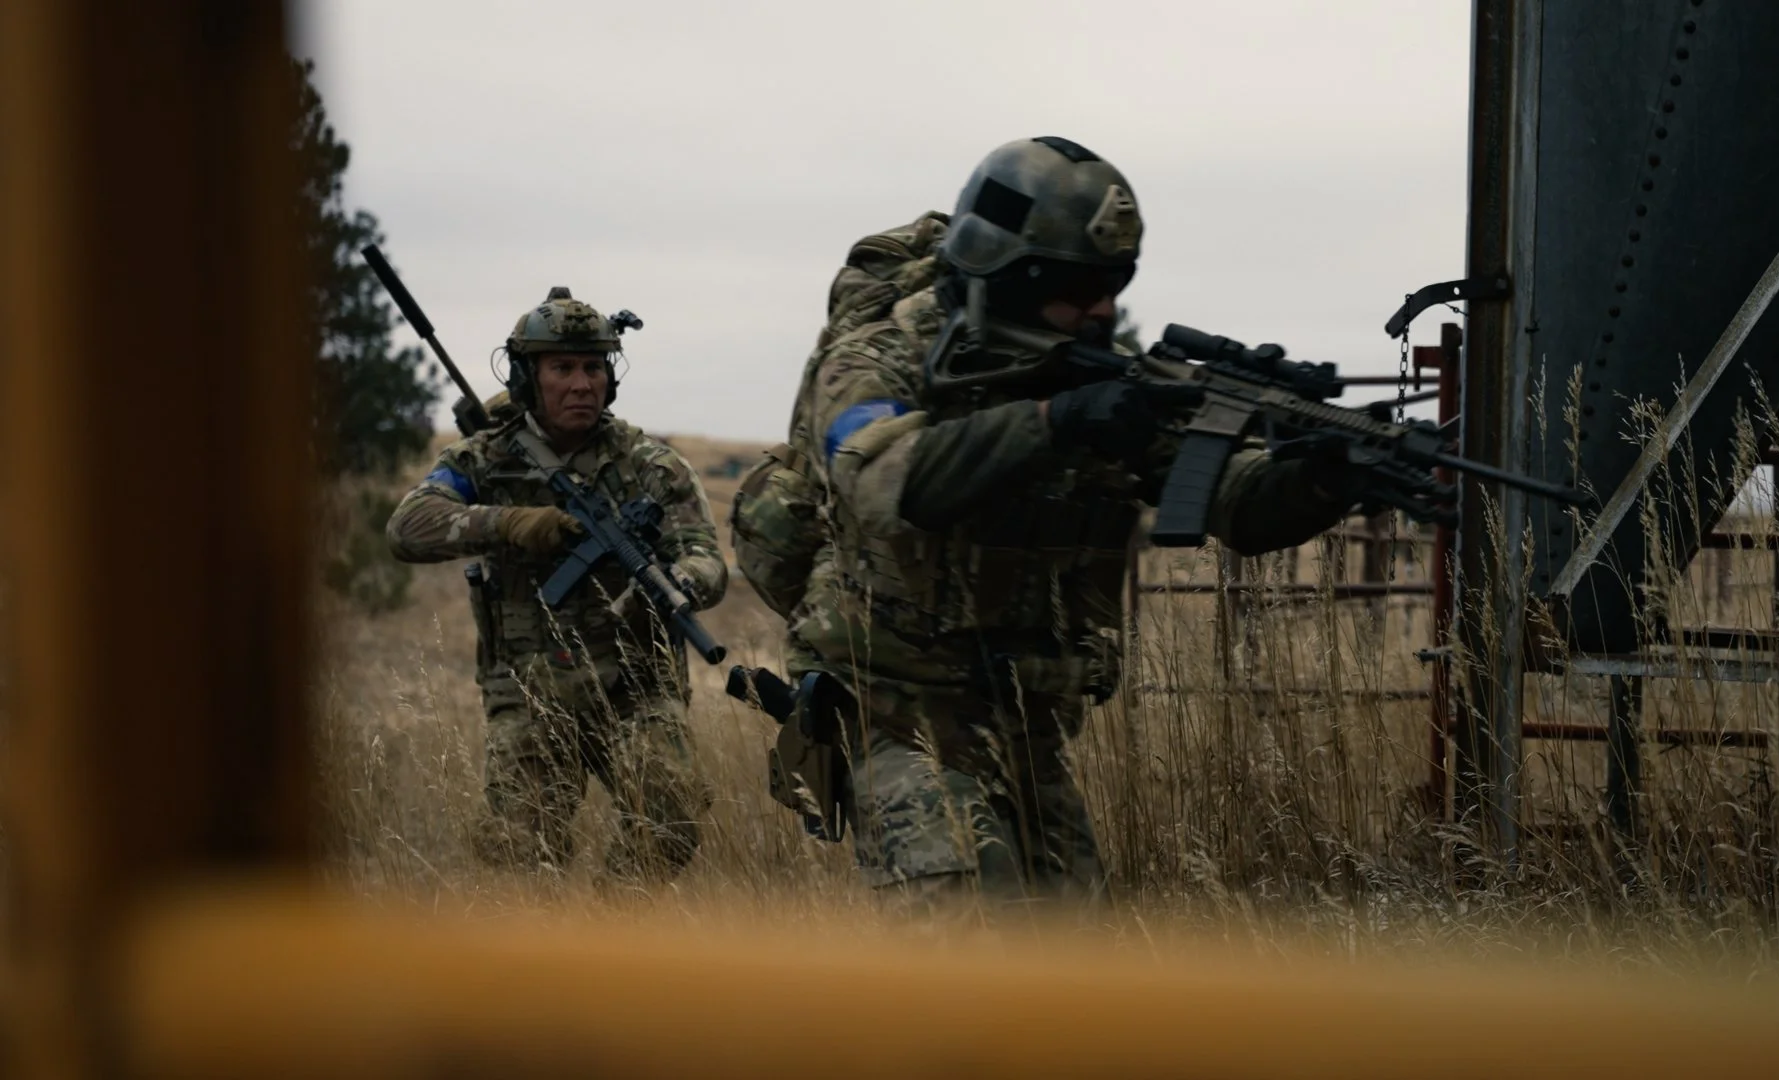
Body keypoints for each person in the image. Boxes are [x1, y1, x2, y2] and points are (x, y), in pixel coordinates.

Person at [783, 136, 1360, 911]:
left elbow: (1234, 501)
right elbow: (890, 480)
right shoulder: (879, 356)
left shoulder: (1102, 376)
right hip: (892, 714)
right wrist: (1057, 421)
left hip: (1028, 725)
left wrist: (1324, 476)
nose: (1103, 310)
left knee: (1070, 950)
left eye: (1115, 285)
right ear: (1010, 277)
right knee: (961, 931)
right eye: (1078, 287)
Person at [387, 287, 727, 883]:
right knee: (518, 854)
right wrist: (508, 522)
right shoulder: (486, 460)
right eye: (562, 368)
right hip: (529, 687)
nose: (581, 385)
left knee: (670, 814)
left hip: (636, 685)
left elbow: (706, 559)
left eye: (593, 368)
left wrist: (677, 581)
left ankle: (615, 926)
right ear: (527, 377)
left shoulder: (650, 465)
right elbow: (408, 527)